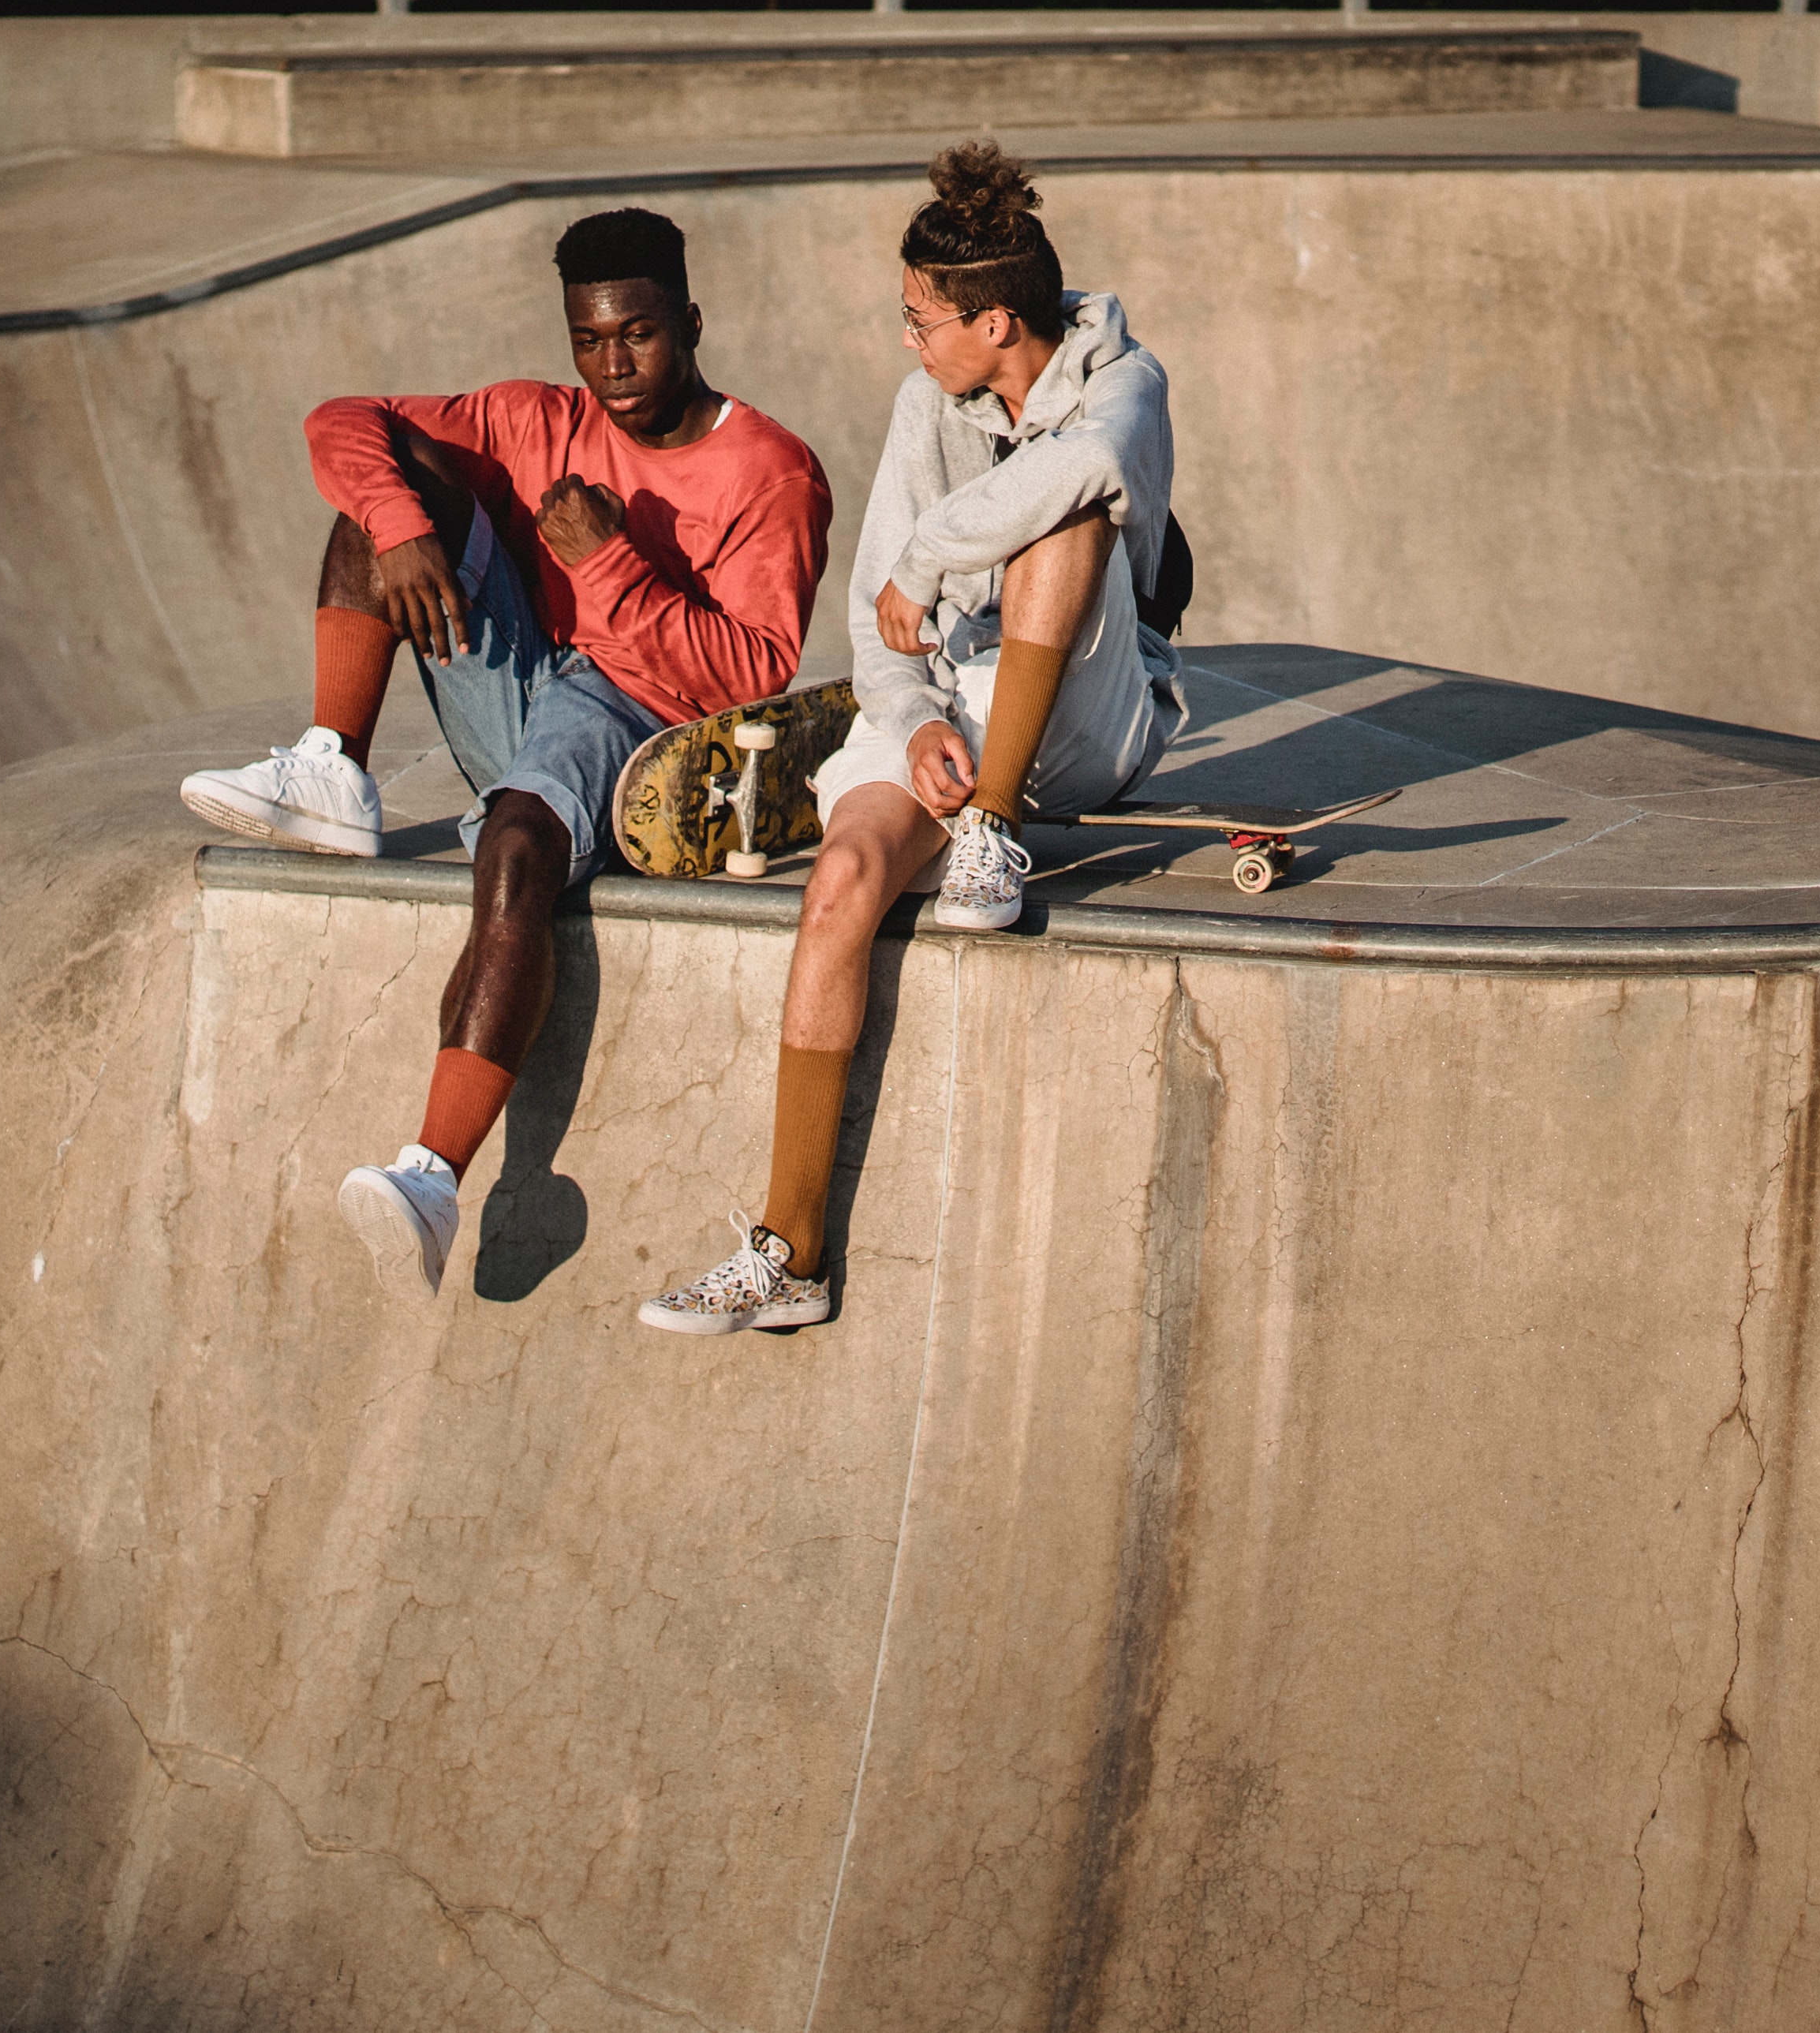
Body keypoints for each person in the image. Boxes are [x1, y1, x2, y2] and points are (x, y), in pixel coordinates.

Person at [178, 206, 831, 1297]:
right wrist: (402, 525)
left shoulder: (771, 471)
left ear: (691, 323)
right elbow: (342, 420)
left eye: (638, 336)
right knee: (388, 490)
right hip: (523, 685)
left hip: (640, 722)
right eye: (589, 340)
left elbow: (749, 680)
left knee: (517, 846)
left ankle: (434, 1177)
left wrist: (608, 565)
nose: (613, 368)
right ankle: (334, 766)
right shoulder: (537, 419)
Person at [637, 142, 1184, 1336]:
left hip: (1093, 713)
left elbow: (1087, 466)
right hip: (957, 700)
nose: (908, 340)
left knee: (1064, 517)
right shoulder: (921, 408)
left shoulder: (1124, 384)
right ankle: (790, 1252)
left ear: (996, 324)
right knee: (840, 881)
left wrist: (936, 556)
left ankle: (991, 828)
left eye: (922, 321)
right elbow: (875, 613)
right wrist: (915, 716)